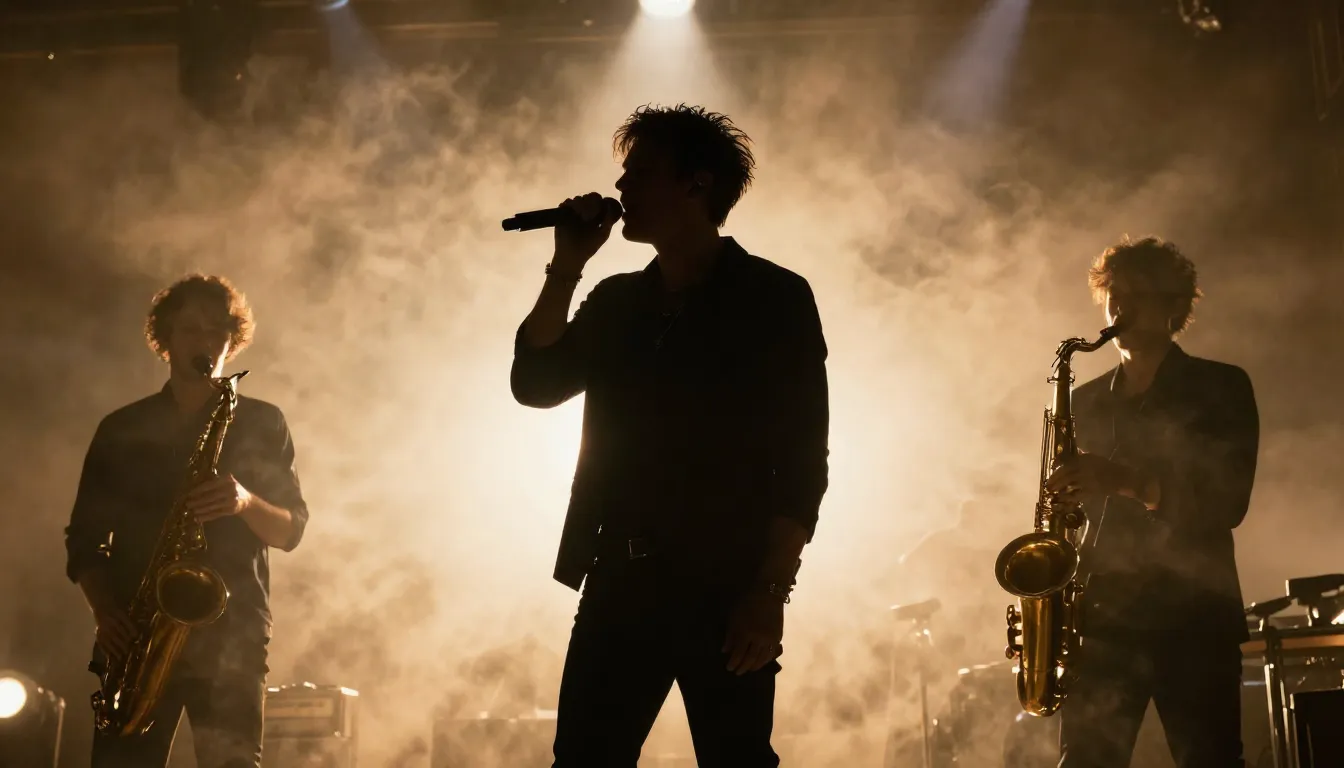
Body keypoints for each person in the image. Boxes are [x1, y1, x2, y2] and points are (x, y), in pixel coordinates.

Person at [510, 104, 830, 767]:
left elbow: (802, 462)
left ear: (697, 184)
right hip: (620, 579)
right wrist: (566, 265)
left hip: (727, 584)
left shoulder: (774, 298)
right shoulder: (618, 300)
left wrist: (769, 593)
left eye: (640, 173)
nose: (620, 188)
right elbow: (536, 384)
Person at [65, 274, 309, 768]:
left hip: (232, 633)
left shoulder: (263, 422)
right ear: (166, 340)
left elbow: (290, 531)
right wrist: (104, 611)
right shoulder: (122, 428)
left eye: (218, 329)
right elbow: (85, 540)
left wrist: (245, 502)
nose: (206, 341)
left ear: (232, 341)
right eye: (192, 329)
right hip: (136, 632)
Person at [1045, 237, 1259, 768]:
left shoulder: (1221, 386)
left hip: (1193, 616)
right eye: (1113, 294)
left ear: (1173, 304)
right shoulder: (1083, 401)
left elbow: (1227, 503)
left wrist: (1127, 482)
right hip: (1103, 619)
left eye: (1137, 294)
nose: (1119, 307)